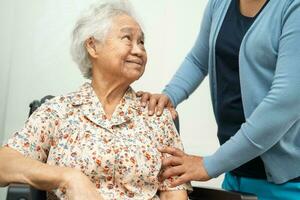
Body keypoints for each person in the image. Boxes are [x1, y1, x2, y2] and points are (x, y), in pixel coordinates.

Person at [0, 1, 191, 199]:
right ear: (92, 46)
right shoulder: (58, 111)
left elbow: (174, 193)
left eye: (141, 42)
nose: (139, 50)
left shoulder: (156, 115)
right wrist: (68, 177)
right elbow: (4, 164)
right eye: (128, 38)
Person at [138, 0, 300, 199]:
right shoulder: (220, 3)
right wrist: (169, 96)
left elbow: (283, 104)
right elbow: (198, 60)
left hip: (288, 183)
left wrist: (210, 165)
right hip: (236, 173)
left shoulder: (293, 8)